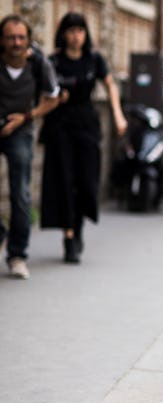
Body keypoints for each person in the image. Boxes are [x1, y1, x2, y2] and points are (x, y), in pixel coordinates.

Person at [39, 12, 127, 264]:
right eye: (71, 30)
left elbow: (110, 85)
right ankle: (69, 236)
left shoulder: (94, 60)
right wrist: (52, 101)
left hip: (86, 124)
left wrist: (118, 115)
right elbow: (42, 92)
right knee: (64, 180)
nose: (75, 36)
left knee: (86, 180)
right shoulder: (53, 61)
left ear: (86, 34)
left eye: (80, 30)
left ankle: (78, 227)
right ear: (63, 34)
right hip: (60, 126)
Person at [0, 14, 59, 279]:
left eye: (21, 37)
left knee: (20, 194)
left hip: (21, 130)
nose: (16, 42)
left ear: (28, 39)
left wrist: (25, 117)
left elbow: (52, 99)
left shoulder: (39, 63)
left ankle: (18, 254)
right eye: (11, 37)